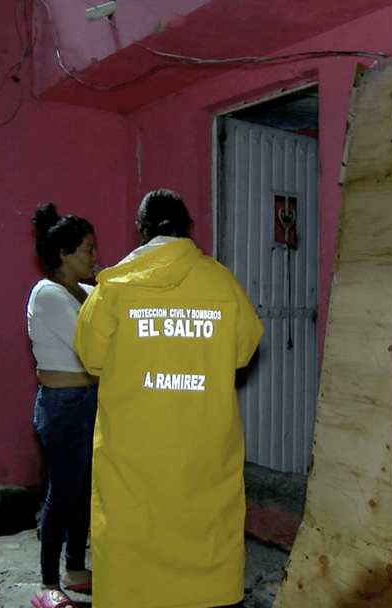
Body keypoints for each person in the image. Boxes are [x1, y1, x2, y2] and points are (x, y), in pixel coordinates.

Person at [74, 189, 263, 608]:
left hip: (132, 456)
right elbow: (242, 351)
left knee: (130, 546)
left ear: (140, 230)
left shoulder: (113, 287)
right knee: (207, 541)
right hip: (203, 452)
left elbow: (91, 357)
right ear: (187, 228)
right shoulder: (221, 282)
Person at [26, 202, 99, 608]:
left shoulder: (84, 291)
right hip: (63, 404)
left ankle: (74, 567)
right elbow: (94, 346)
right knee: (63, 492)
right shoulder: (48, 294)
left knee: (83, 490)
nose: (94, 256)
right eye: (87, 249)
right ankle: (47, 583)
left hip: (88, 400)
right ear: (64, 254)